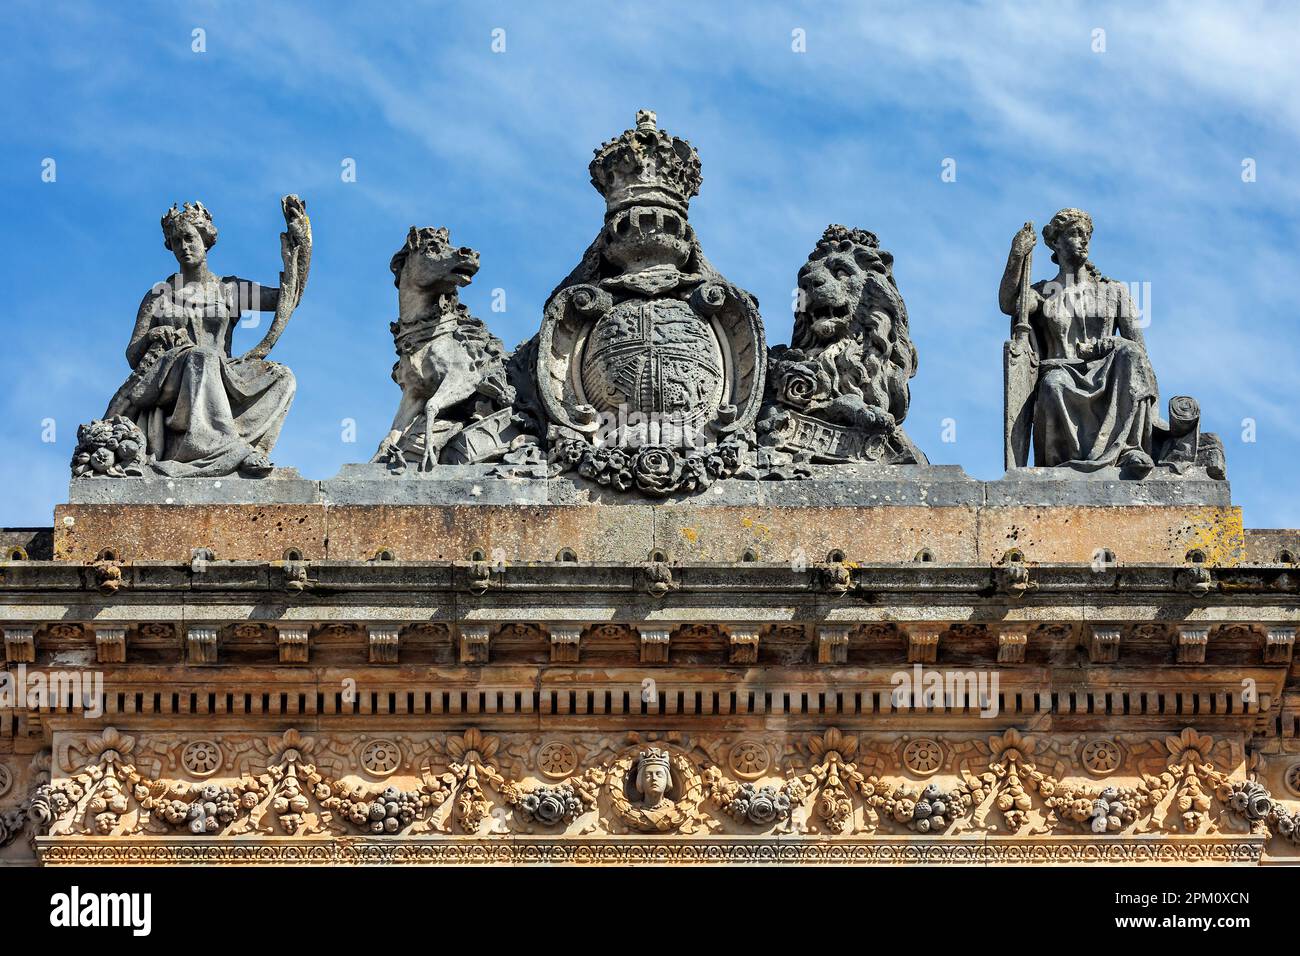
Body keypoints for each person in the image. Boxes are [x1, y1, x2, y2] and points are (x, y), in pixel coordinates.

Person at [999, 207, 1157, 474]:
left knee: (1130, 354)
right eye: (1075, 233)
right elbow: (1009, 303)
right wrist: (1017, 256)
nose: (1083, 240)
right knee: (1052, 385)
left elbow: (1139, 350)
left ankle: (1129, 448)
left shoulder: (1114, 291)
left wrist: (1108, 346)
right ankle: (1064, 463)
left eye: (1087, 235)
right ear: (1055, 241)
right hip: (1061, 371)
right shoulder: (1043, 293)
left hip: (1109, 374)